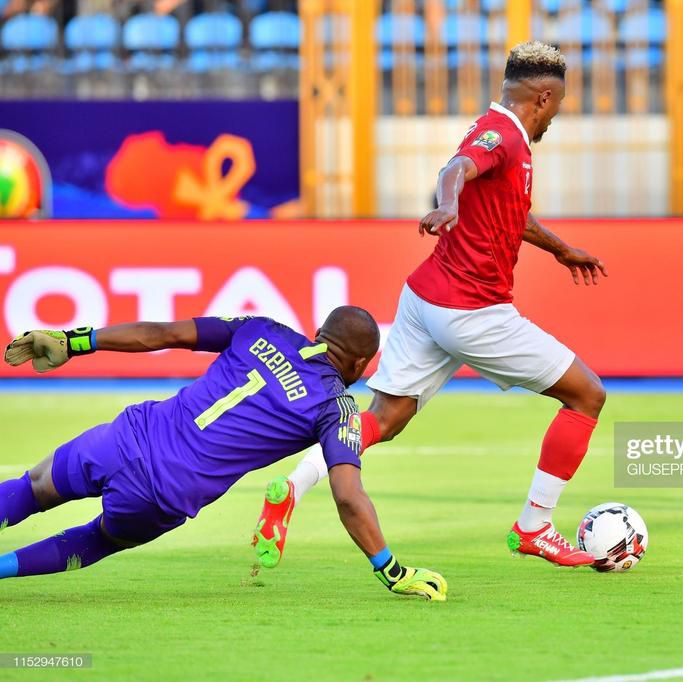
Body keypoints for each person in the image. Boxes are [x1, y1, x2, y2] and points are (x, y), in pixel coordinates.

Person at [253, 41, 608, 568]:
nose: (556, 116)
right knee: (587, 395)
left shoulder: (497, 131)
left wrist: (559, 249)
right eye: (558, 104)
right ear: (545, 97)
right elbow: (455, 170)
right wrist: (447, 203)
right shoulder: (504, 135)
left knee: (386, 416)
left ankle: (292, 487)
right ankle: (534, 525)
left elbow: (510, 212)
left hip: (425, 300)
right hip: (472, 312)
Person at [0, 311, 447, 601]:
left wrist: (76, 341)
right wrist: (390, 569)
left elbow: (164, 334)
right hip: (164, 493)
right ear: (360, 365)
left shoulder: (261, 328)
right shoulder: (336, 407)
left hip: (126, 437)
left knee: (34, 487)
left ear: (320, 335)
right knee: (100, 538)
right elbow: (348, 494)